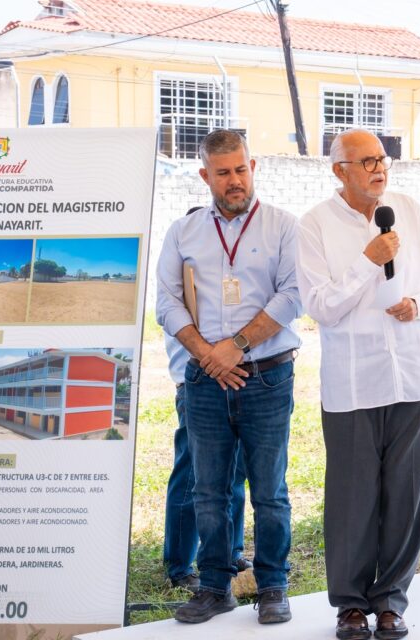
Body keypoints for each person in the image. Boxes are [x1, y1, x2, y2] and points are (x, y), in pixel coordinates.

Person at [298, 128, 420, 640]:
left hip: (412, 376)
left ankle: (391, 601)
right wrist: (369, 259)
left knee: (406, 497)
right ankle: (350, 606)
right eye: (365, 161)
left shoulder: (408, 209)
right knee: (352, 498)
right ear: (339, 170)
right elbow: (320, 306)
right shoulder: (315, 225)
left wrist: (419, 305)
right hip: (353, 384)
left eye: (381, 159)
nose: (377, 169)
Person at [155, 129, 301, 625]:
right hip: (204, 380)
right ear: (205, 176)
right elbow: (168, 301)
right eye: (223, 173)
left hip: (267, 377)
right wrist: (206, 354)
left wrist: (234, 346)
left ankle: (272, 585)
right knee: (208, 488)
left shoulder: (283, 226)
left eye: (241, 169)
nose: (234, 181)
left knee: (269, 489)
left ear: (252, 166)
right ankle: (214, 585)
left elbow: (292, 295)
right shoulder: (184, 231)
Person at [162, 206, 253, 595]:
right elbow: (184, 339)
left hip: (237, 383)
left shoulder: (228, 283)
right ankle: (180, 565)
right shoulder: (182, 286)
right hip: (196, 386)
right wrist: (213, 363)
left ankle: (229, 551)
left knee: (234, 473)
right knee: (193, 478)